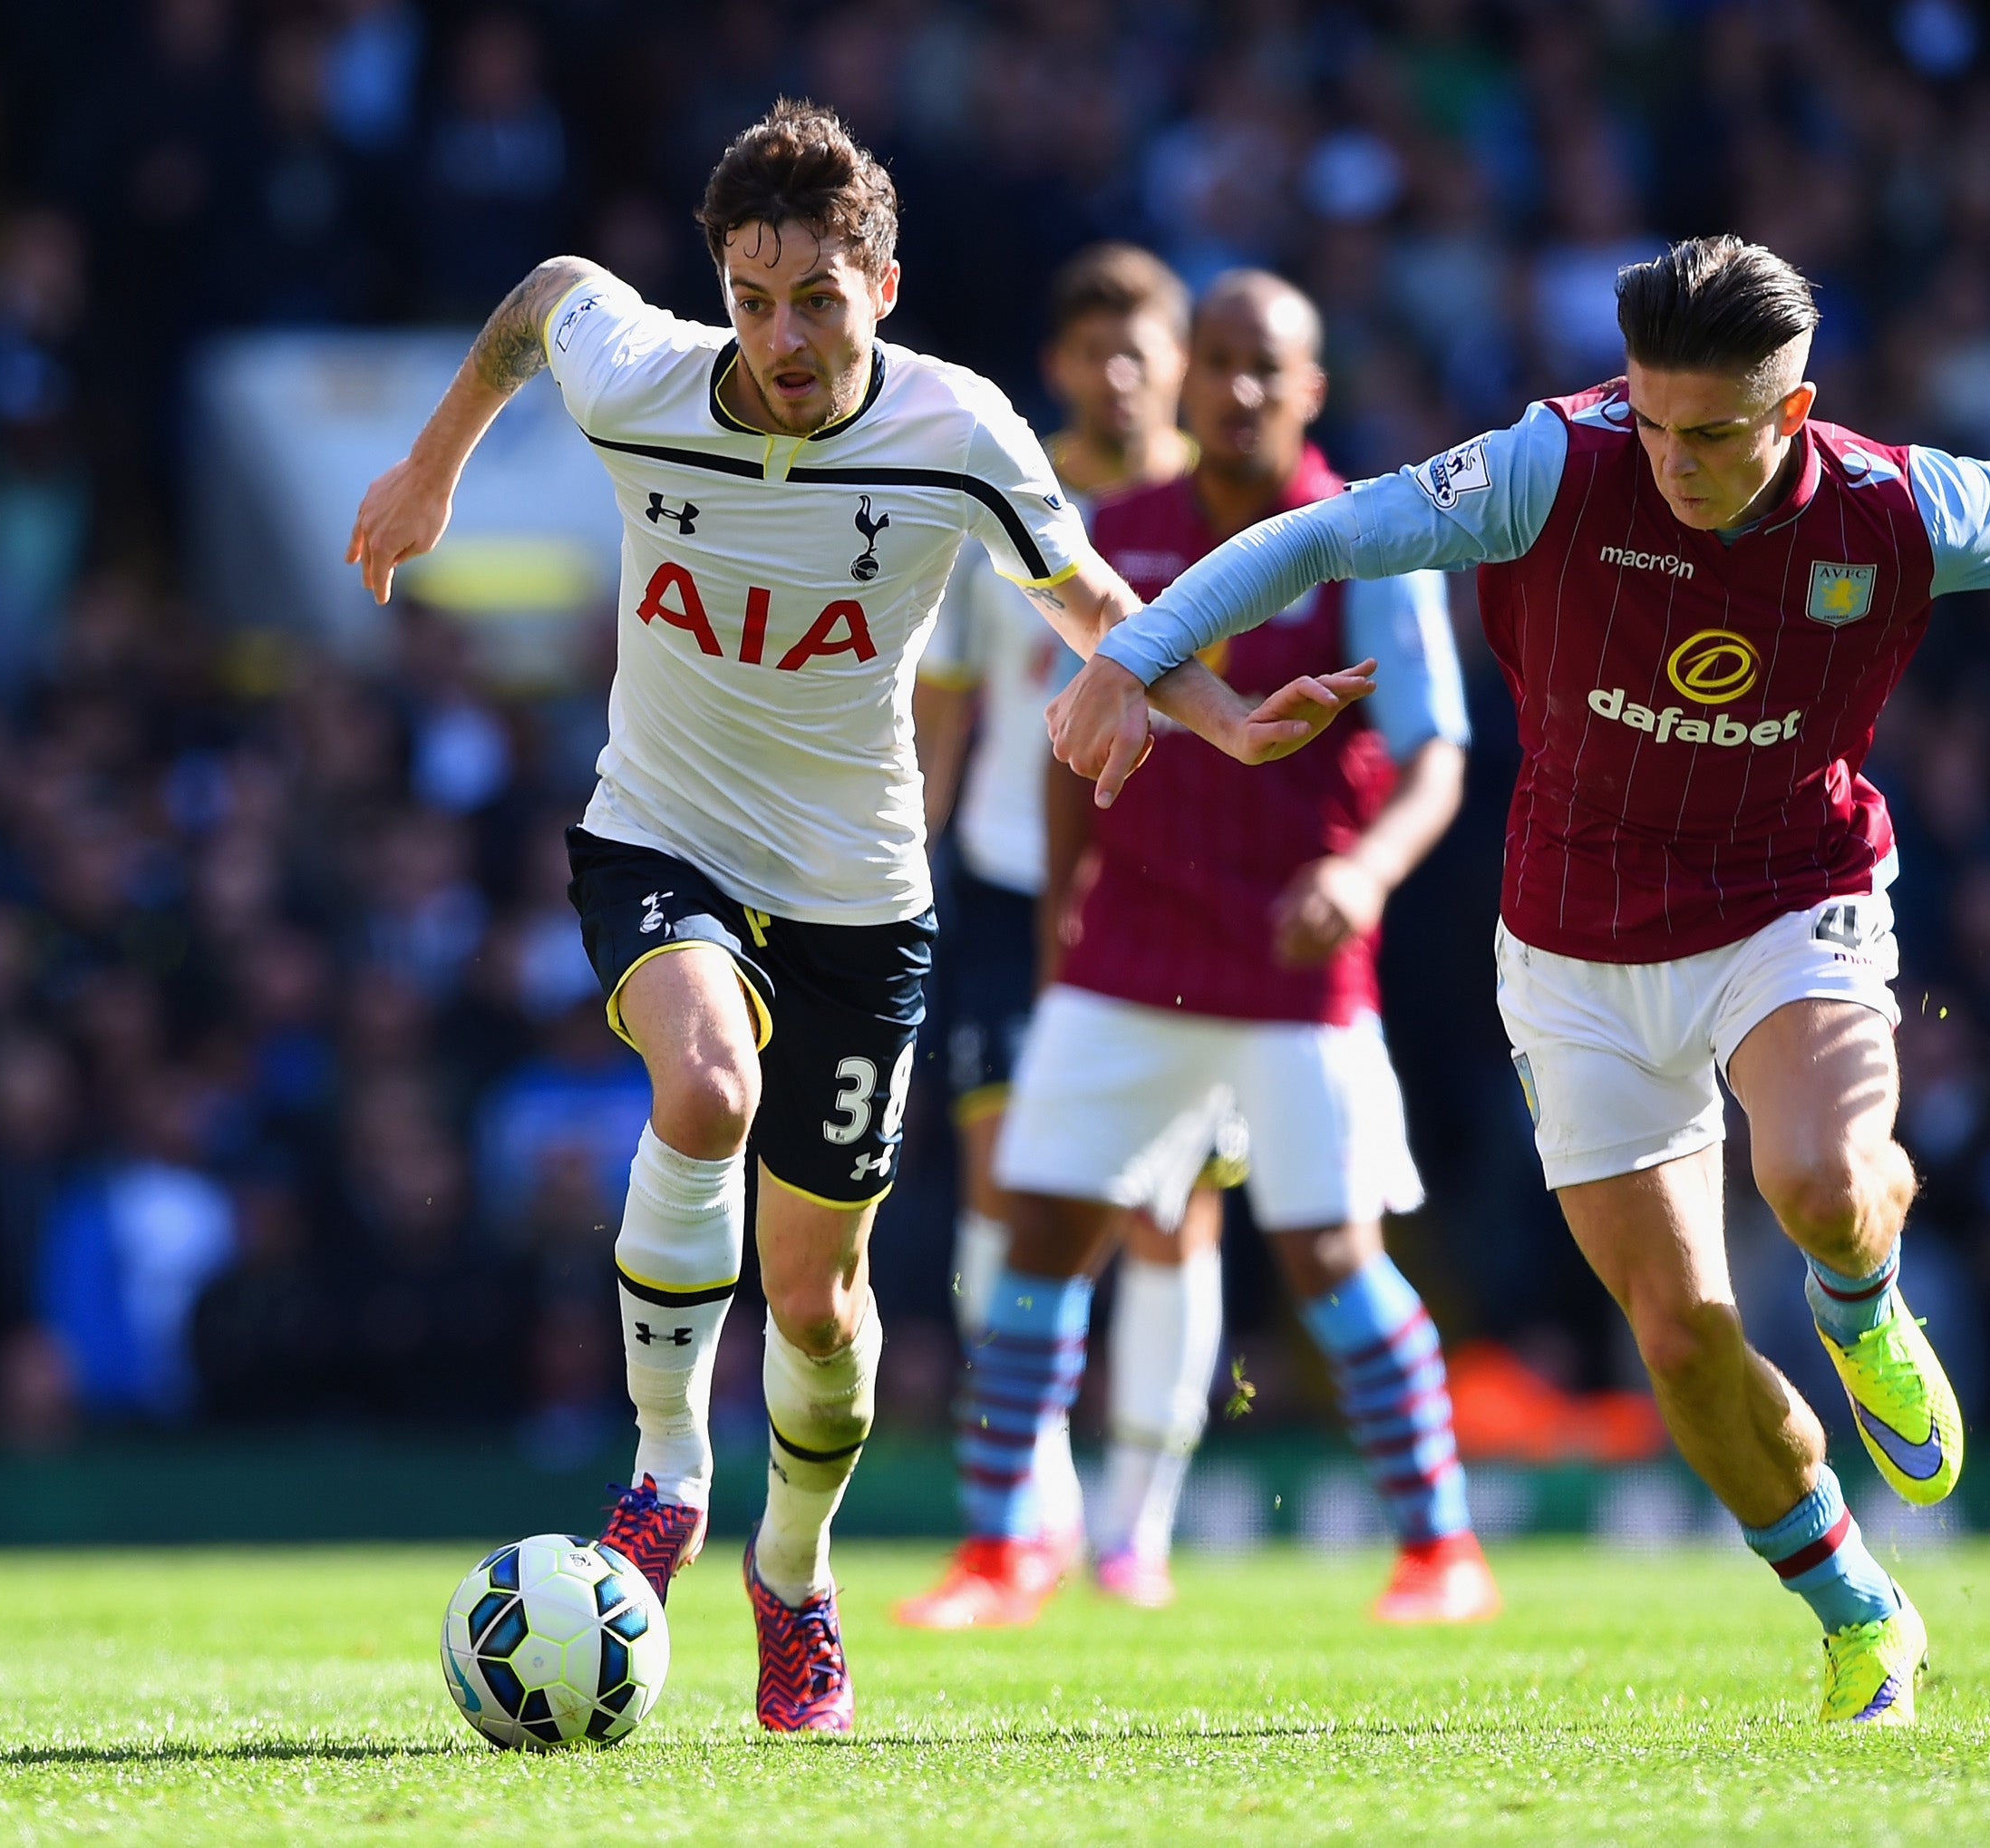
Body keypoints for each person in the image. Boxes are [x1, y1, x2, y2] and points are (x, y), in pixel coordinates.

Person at [1051, 235, 1990, 1721]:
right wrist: (1133, 653)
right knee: (1680, 1336)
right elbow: (1319, 536)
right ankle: (1858, 1608)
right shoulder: (1549, 467)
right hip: (1576, 947)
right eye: (1651, 420)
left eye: (1711, 433)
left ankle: (1861, 1304)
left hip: (1792, 899)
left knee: (1826, 1182)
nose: (1674, 461)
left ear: (1794, 408)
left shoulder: (1899, 506)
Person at [344, 100, 1371, 1735]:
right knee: (705, 1087)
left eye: (817, 296)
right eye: (753, 298)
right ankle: (664, 1475)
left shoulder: (959, 432)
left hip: (857, 896)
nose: (783, 335)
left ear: (880, 284)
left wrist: (1233, 718)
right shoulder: (649, 382)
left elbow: (1098, 600)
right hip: (662, 836)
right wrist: (428, 466)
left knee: (819, 1302)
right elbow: (547, 294)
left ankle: (794, 1578)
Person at [897, 269, 1495, 1629]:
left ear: (1311, 390)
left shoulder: (1365, 540)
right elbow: (1071, 734)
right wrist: (1061, 909)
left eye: (1262, 368)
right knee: (1039, 1226)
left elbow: (1436, 756)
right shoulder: (1121, 535)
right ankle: (1000, 1551)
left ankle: (1440, 1544)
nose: (1234, 390)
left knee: (1330, 1257)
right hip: (1130, 951)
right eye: (1215, 361)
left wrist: (1362, 867)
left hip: (1294, 966)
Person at [913, 243, 1236, 1602]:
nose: (1116, 372)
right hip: (999, 887)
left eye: (1141, 346)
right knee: (1007, 1194)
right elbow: (941, 707)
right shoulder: (1002, 499)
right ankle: (1028, 1510)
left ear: (1180, 361)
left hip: (1169, 906)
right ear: (1054, 363)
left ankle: (1137, 1525)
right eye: (1090, 346)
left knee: (1168, 1216)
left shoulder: (1229, 515)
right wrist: (904, 882)